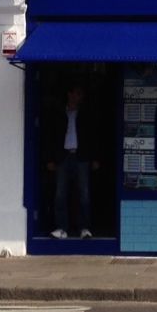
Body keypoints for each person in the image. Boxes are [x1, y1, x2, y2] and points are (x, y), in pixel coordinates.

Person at [47, 83, 96, 239]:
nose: (79, 97)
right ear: (69, 94)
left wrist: (95, 157)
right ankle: (61, 228)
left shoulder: (86, 114)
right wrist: (50, 158)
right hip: (63, 156)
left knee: (84, 194)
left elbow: (93, 136)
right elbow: (51, 136)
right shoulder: (60, 113)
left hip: (81, 157)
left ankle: (84, 228)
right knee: (60, 194)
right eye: (76, 93)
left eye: (80, 94)